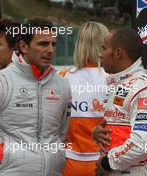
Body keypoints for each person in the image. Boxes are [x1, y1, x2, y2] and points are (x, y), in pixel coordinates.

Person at [0, 18, 71, 176]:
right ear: (24, 46)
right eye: (43, 44)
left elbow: (61, 133)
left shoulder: (63, 84)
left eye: (53, 44)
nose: (50, 50)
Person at [93, 28, 147, 175]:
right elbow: (121, 130)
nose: (100, 55)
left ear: (118, 53)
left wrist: (107, 162)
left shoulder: (144, 89)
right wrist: (97, 133)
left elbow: (143, 143)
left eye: (104, 48)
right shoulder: (118, 84)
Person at [59, 21, 108, 176]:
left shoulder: (63, 77)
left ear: (79, 44)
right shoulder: (114, 79)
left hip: (69, 161)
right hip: (105, 162)